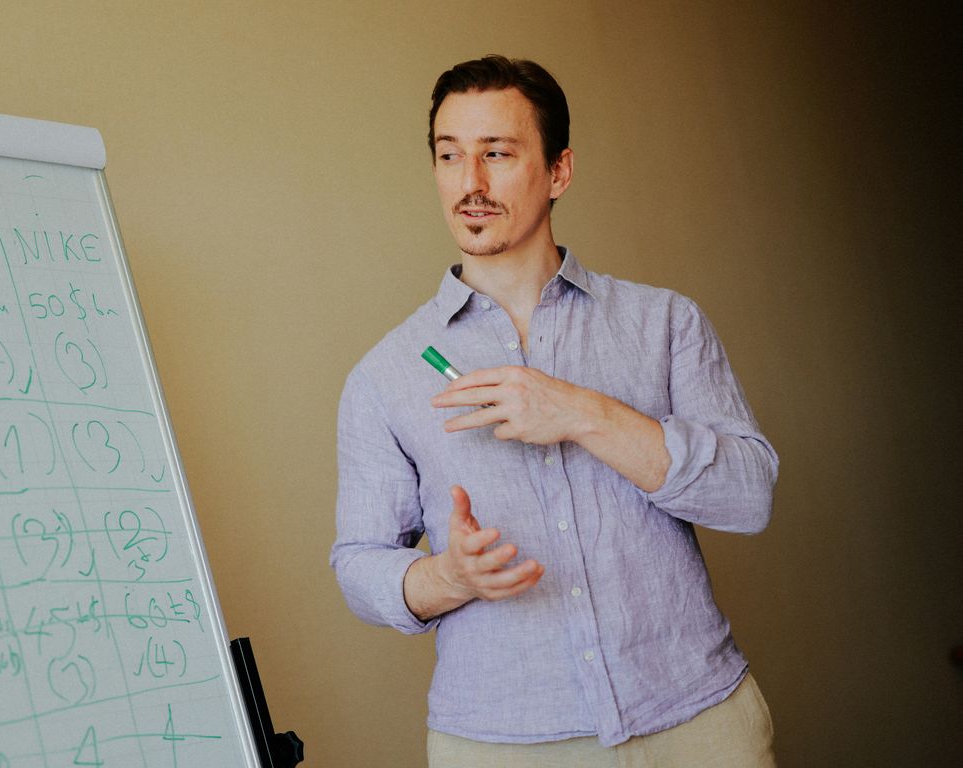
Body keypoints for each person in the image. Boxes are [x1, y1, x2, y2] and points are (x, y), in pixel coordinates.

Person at [330, 55, 779, 767]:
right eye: (449, 156)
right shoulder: (384, 376)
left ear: (559, 171)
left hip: (698, 725)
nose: (468, 183)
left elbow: (750, 496)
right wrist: (450, 578)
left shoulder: (665, 324)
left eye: (497, 154)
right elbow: (358, 564)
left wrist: (585, 413)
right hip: (503, 745)